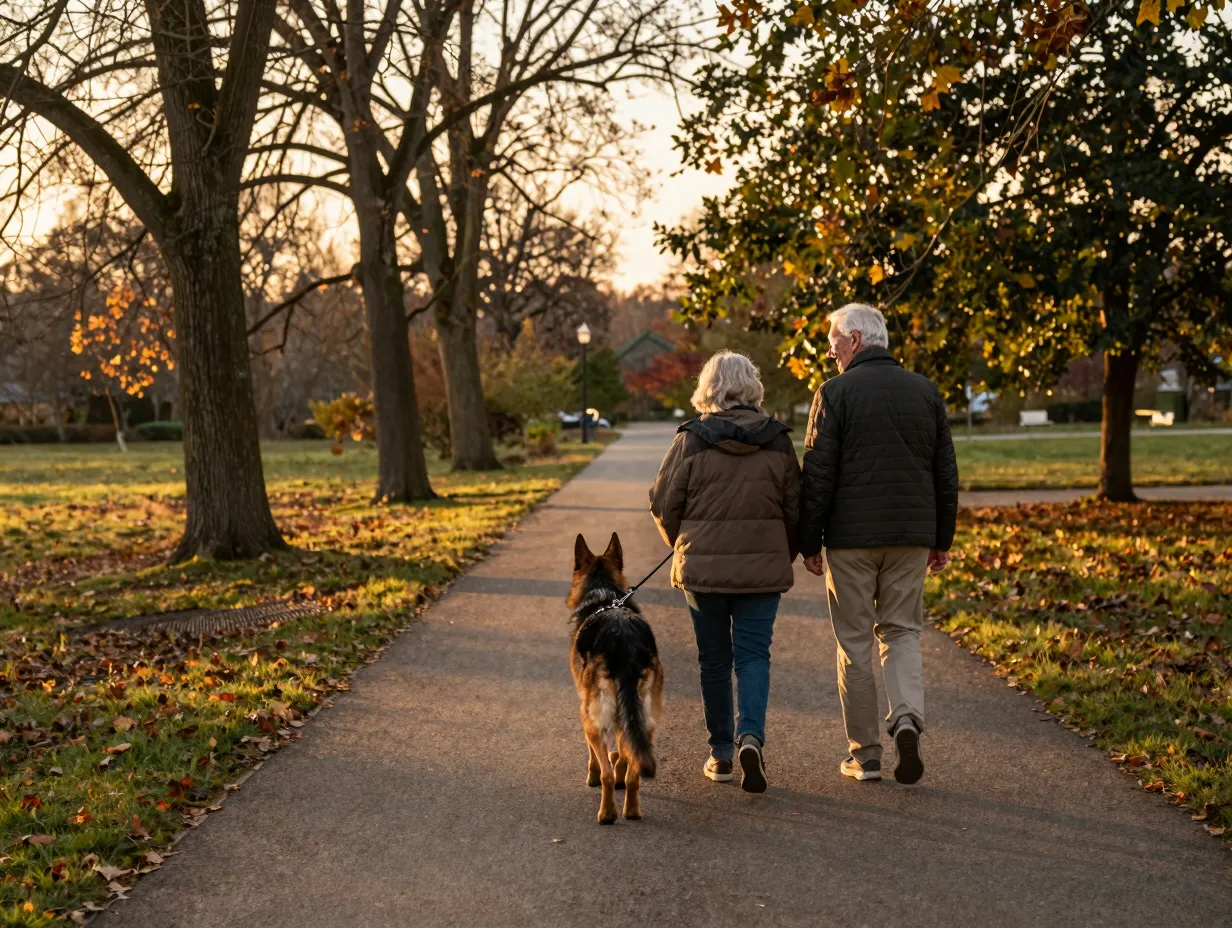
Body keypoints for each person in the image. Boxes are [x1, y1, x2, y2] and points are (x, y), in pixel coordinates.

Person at [797, 304, 958, 785]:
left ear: (856, 340)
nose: (830, 351)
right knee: (902, 631)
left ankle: (865, 755)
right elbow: (944, 473)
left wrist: (809, 541)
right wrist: (940, 539)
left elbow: (817, 475)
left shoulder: (834, 394)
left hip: (850, 540)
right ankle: (906, 718)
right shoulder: (924, 390)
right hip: (911, 537)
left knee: (854, 642)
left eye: (833, 341)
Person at [650, 350, 800, 793]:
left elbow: (663, 503)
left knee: (714, 661)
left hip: (704, 570)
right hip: (763, 570)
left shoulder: (691, 439)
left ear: (708, 388)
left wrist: (681, 542)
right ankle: (750, 736)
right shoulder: (777, 439)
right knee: (754, 656)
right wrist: (783, 552)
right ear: (751, 385)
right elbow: (797, 506)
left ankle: (721, 756)